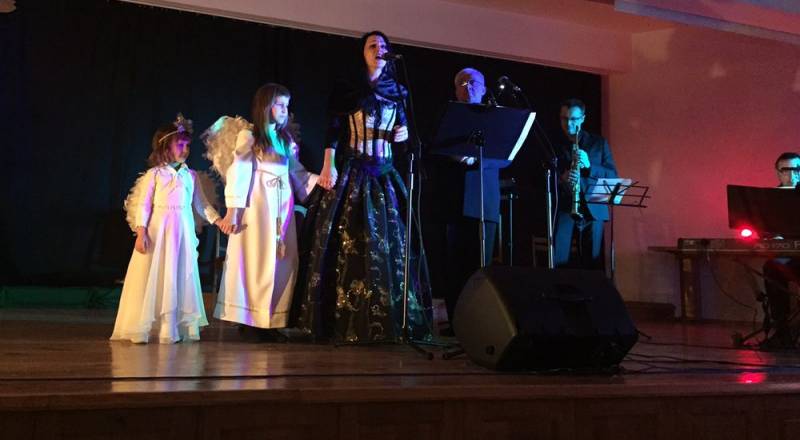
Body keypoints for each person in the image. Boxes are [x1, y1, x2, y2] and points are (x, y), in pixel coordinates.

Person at [292, 30, 434, 343]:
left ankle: (391, 319)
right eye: (373, 45)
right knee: (349, 239)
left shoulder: (399, 91)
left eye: (383, 45)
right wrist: (328, 164)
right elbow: (333, 128)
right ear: (363, 52)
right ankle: (344, 318)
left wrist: (403, 134)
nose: (379, 49)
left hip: (385, 172)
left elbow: (404, 132)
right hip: (355, 168)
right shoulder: (348, 88)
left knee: (392, 243)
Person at [206, 83, 317, 337]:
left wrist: (318, 181)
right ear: (266, 106)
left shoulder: (285, 140)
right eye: (280, 104)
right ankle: (251, 319)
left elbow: (297, 173)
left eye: (287, 105)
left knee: (282, 260)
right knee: (257, 259)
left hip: (282, 208)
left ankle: (273, 319)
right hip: (258, 208)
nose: (285, 110)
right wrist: (233, 211)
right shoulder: (250, 137)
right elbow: (239, 172)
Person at [111, 114, 222, 344]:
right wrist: (141, 232)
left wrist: (218, 220)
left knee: (176, 275)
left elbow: (201, 204)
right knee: (154, 275)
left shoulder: (191, 176)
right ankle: (143, 325)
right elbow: (144, 205)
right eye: (179, 144)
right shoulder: (155, 175)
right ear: (165, 147)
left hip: (181, 232)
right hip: (158, 231)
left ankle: (170, 327)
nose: (185, 149)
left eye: (187, 145)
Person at [424, 68, 511, 336]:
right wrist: (452, 155)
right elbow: (432, 149)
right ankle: (456, 323)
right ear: (455, 90)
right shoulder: (447, 116)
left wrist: (477, 159)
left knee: (481, 268)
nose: (467, 86)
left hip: (483, 201)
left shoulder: (496, 118)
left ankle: (482, 324)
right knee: (454, 267)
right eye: (461, 82)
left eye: (472, 82)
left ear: (484, 89)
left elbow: (506, 155)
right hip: (452, 201)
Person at [553, 98, 618, 270]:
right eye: (564, 119)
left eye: (573, 119)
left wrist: (589, 166)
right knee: (559, 262)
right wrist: (562, 178)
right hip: (565, 208)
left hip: (593, 209)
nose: (568, 124)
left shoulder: (598, 143)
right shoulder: (555, 145)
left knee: (591, 265)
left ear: (583, 118)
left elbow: (612, 176)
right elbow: (541, 177)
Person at [762, 152, 800, 347]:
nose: (792, 175)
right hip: (789, 258)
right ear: (778, 173)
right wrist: (773, 238)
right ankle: (782, 330)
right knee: (772, 268)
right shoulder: (771, 199)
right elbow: (762, 228)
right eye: (786, 170)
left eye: (797, 169)